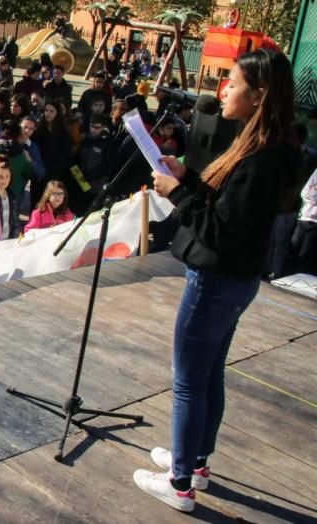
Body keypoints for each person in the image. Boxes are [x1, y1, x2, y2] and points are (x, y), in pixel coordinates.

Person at [135, 49, 300, 513]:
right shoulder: (265, 148)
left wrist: (179, 193)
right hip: (236, 281)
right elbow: (231, 212)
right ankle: (195, 462)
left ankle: (180, 483)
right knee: (208, 374)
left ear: (259, 95)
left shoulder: (261, 159)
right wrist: (189, 177)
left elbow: (220, 232)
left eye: (232, 81)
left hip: (215, 282)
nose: (222, 89)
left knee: (189, 381)